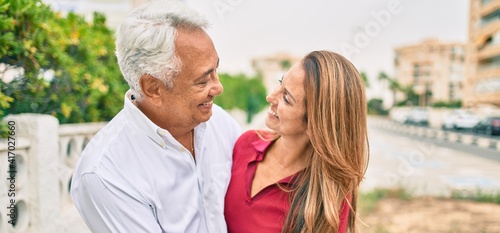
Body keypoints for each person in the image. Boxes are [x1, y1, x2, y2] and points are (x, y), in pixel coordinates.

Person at [70, 1, 241, 232]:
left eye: (216, 70)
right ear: (152, 88)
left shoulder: (220, 123)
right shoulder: (105, 174)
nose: (218, 87)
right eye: (203, 80)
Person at [224, 50, 369, 233]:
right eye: (280, 83)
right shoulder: (246, 143)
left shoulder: (326, 202)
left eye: (286, 98)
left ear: (315, 124)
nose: (271, 97)